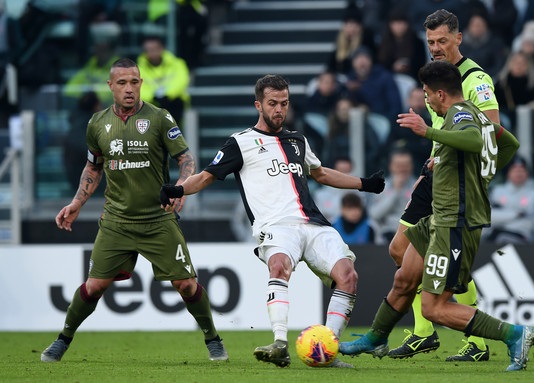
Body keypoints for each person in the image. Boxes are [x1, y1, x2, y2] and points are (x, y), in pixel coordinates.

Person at [159, 74, 385, 368]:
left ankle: (326, 350)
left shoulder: (298, 140)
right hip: (276, 226)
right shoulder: (240, 143)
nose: (280, 109)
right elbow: (204, 177)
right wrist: (178, 189)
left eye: (284, 103)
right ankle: (279, 343)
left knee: (349, 276)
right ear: (259, 105)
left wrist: (363, 184)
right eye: (273, 103)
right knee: (279, 265)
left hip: (314, 224)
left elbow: (321, 173)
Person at [341, 60, 534, 372]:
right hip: (439, 217)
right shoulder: (474, 114)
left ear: (441, 94)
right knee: (405, 277)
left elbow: (473, 140)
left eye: (427, 94)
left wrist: (428, 131)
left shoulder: (460, 115)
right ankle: (376, 338)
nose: (427, 100)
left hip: (455, 222)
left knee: (434, 307)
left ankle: (515, 334)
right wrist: (479, 170)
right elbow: (509, 143)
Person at [40, 58, 228, 363]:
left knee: (186, 284)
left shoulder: (159, 118)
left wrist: (182, 184)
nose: (130, 89)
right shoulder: (97, 123)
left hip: (157, 219)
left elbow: (186, 158)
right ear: (110, 86)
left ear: (141, 83)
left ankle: (213, 339)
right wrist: (77, 202)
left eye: (135, 82)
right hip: (116, 221)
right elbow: (93, 166)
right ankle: (62, 340)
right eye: (123, 83)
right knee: (95, 285)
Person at [484, 156, 534, 245]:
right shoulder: (497, 191)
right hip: (495, 234)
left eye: (522, 170)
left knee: (501, 237)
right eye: (515, 170)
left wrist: (502, 218)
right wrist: (516, 215)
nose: (518, 173)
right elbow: (489, 217)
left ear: (527, 173)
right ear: (508, 173)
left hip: (522, 237)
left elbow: (530, 223)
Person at [137, 35, 191, 126]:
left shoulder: (177, 64)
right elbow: (137, 88)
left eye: (154, 49)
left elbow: (181, 81)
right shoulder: (138, 69)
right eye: (148, 50)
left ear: (162, 48)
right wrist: (153, 96)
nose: (152, 52)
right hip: (150, 108)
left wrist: (167, 94)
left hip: (174, 105)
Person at [368, 149, 416, 242]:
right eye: (398, 165)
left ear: (412, 166)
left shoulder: (418, 186)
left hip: (411, 233)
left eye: (405, 165)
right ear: (391, 166)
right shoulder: (380, 186)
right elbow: (374, 214)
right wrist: (396, 191)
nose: (402, 169)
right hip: (386, 234)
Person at [494, 51, 534, 129]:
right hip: (505, 118)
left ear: (528, 65)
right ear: (509, 64)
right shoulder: (501, 84)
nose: (519, 66)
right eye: (515, 62)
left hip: (530, 119)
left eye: (523, 63)